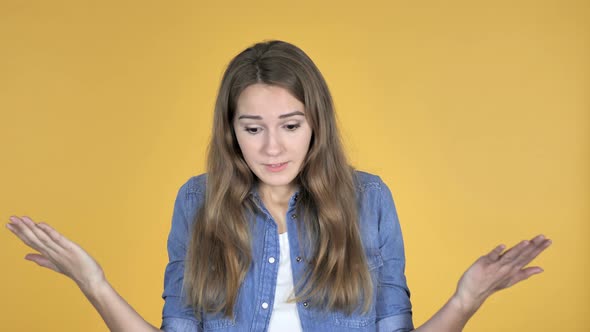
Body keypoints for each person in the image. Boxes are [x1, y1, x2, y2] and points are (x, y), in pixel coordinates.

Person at [6, 40, 551, 332]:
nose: (272, 148)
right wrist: (94, 284)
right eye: (253, 128)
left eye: (290, 126)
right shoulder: (196, 203)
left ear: (315, 124)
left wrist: (466, 299)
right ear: (231, 131)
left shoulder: (369, 200)